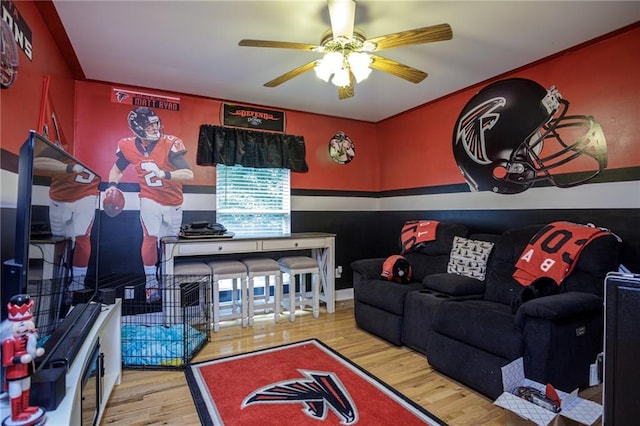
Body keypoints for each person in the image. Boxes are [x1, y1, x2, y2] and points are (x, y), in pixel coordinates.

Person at [105, 107, 193, 303]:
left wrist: (165, 174)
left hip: (173, 201)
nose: (154, 127)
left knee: (170, 243)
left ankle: (167, 277)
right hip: (149, 197)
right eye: (149, 124)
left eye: (155, 123)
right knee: (150, 236)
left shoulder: (170, 143)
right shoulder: (127, 146)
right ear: (137, 128)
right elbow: (117, 169)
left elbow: (189, 174)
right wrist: (112, 186)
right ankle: (151, 283)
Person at [33, 151, 100, 304]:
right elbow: (35, 161)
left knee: (82, 236)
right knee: (60, 242)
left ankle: (77, 284)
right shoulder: (63, 148)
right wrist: (69, 168)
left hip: (87, 195)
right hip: (59, 198)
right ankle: (58, 281)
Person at [1, 294, 46, 424]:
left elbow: (31, 350)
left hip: (27, 370)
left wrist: (36, 352)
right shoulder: (9, 342)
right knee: (16, 392)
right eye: (22, 324)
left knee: (26, 388)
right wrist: (20, 359)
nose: (27, 327)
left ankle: (25, 408)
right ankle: (16, 414)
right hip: (15, 373)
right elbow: (7, 360)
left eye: (28, 322)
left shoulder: (29, 338)